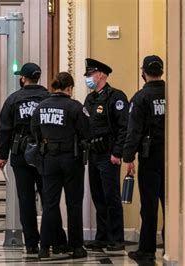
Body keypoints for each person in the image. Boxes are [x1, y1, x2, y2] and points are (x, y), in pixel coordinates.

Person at [0, 63, 64, 254]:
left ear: (23, 79)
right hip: (45, 154)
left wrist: (2, 155)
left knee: (26, 201)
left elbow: (4, 129)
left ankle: (32, 244)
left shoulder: (13, 99)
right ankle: (55, 242)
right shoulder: (48, 98)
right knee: (50, 200)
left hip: (20, 155)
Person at [31, 72, 90, 259]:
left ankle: (44, 247)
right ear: (70, 88)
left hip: (49, 159)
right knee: (73, 203)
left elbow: (35, 132)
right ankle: (77, 247)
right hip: (71, 159)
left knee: (49, 204)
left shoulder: (41, 107)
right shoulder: (75, 107)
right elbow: (87, 132)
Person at [83, 58, 129, 251]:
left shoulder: (115, 97)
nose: (88, 79)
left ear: (100, 74)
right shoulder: (90, 99)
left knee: (111, 197)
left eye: (90, 75)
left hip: (109, 155)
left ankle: (117, 237)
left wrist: (118, 152)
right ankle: (102, 236)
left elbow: (123, 127)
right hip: (93, 154)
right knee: (98, 196)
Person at [123, 55, 166, 261]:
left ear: (144, 72)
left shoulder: (140, 98)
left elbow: (134, 131)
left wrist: (128, 157)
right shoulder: (173, 94)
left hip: (150, 157)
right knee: (171, 203)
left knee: (149, 204)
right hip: (172, 157)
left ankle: (146, 249)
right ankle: (171, 245)